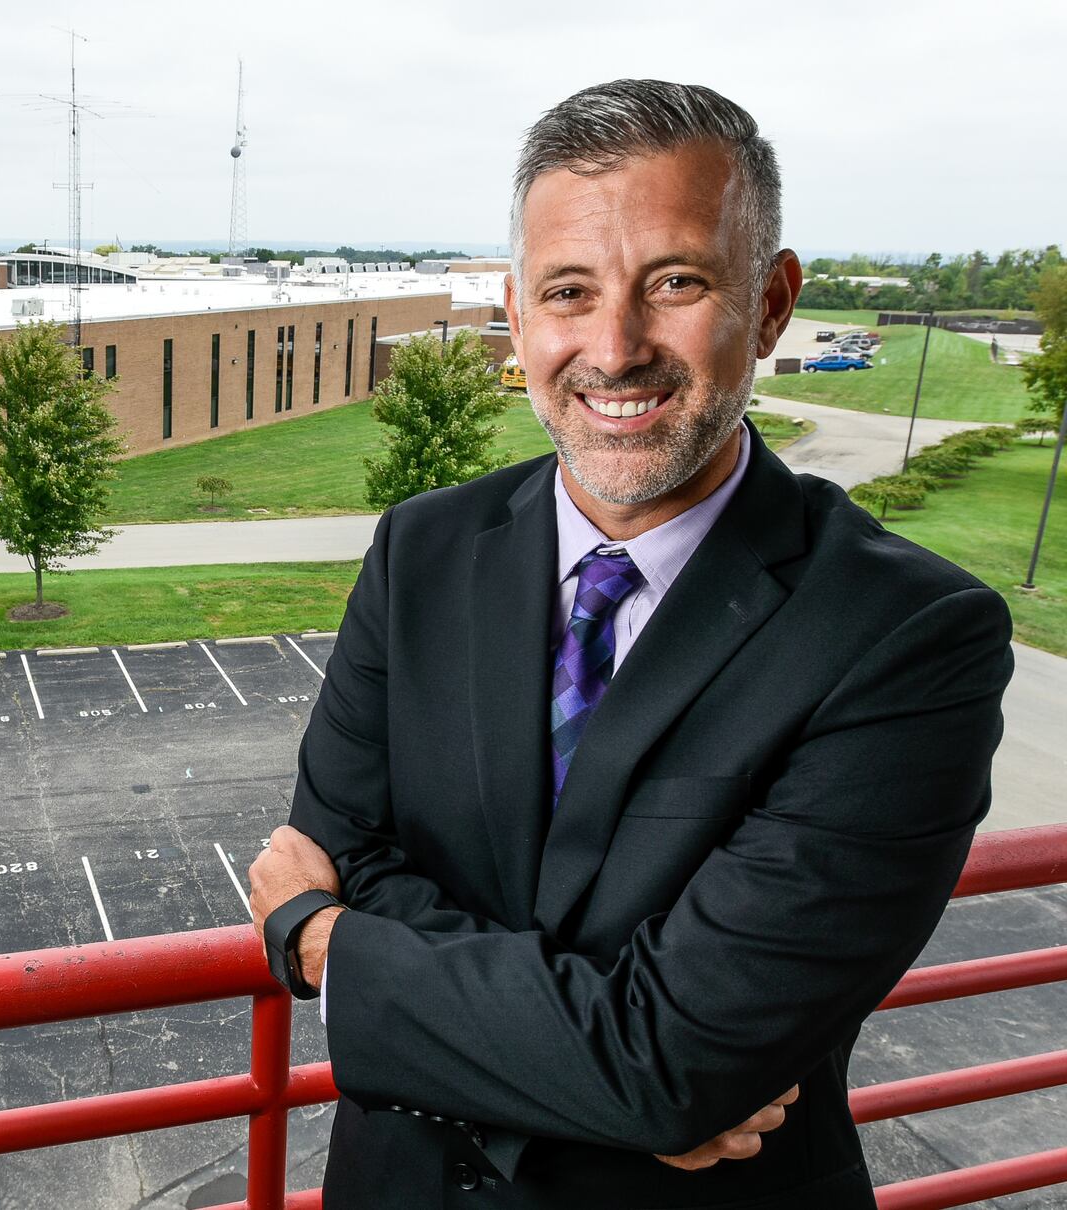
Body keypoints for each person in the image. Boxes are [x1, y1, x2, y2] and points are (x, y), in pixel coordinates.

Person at [249, 79, 1013, 1210]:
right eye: (568, 291)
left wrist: (328, 944)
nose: (613, 347)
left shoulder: (905, 635)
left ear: (769, 302)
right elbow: (342, 844)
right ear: (516, 316)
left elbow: (679, 1062)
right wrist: (610, 1061)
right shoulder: (423, 549)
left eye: (675, 282)